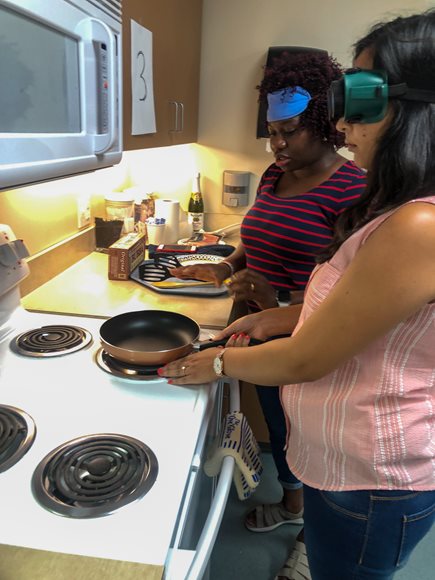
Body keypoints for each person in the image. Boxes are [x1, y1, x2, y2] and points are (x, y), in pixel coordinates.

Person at [160, 8, 435, 580]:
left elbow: (310, 358)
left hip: (373, 473)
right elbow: (353, 308)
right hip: (343, 457)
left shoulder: (418, 226)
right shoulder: (398, 208)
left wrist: (215, 362)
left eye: (360, 99)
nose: (346, 124)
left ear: (417, 108)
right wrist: (280, 316)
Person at [171, 50, 366, 538]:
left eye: (288, 131)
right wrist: (227, 264)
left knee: (308, 434)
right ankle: (294, 504)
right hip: (253, 325)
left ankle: (312, 530)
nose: (275, 144)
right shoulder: (276, 176)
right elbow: (258, 239)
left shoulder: (354, 189)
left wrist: (274, 297)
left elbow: (347, 292)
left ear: (325, 125)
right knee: (281, 428)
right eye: (271, 132)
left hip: (302, 335)